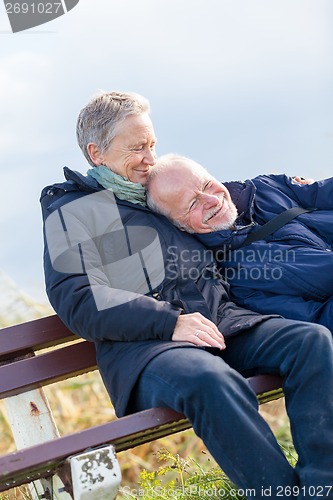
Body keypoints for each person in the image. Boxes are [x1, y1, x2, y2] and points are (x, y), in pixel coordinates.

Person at [41, 91, 333, 498]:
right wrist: (169, 321)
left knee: (310, 341)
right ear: (97, 153)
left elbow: (224, 199)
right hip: (149, 350)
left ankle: (323, 488)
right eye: (137, 147)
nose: (149, 157)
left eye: (153, 144)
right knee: (207, 380)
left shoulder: (154, 194)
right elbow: (77, 298)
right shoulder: (76, 210)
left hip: (222, 326)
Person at [146, 154, 333, 333]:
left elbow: (322, 192)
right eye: (193, 203)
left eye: (207, 184)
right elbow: (319, 319)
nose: (212, 200)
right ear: (180, 227)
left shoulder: (266, 188)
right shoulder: (235, 280)